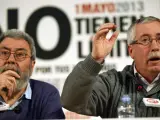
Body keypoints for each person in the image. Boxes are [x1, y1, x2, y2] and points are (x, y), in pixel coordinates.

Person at [61, 16, 160, 118]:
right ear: (131, 51)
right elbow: (71, 101)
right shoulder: (113, 84)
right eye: (145, 40)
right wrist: (94, 59)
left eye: (159, 39)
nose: (155, 47)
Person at [0, 29, 65, 119]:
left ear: (32, 65)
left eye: (20, 54)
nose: (11, 60)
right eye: (4, 53)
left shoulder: (47, 94)